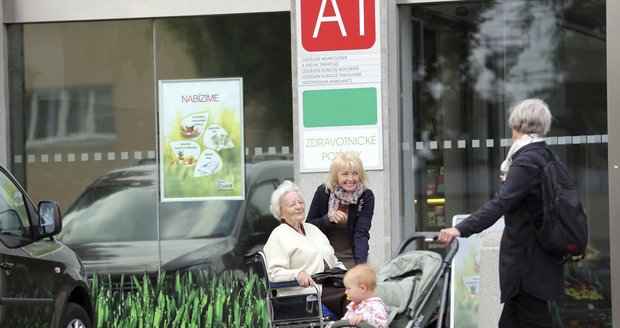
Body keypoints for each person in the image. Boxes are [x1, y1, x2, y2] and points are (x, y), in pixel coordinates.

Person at [438, 98, 564, 328]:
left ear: (517, 125)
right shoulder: (547, 156)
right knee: (510, 322)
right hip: (537, 261)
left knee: (532, 320)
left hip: (527, 266)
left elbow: (500, 204)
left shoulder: (526, 161)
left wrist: (460, 228)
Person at [263, 180, 348, 319]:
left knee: (363, 291)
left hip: (333, 284)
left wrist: (350, 276)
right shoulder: (278, 236)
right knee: (354, 299)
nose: (299, 207)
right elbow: (274, 273)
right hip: (310, 293)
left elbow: (335, 262)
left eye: (300, 202)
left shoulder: (312, 229)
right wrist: (297, 274)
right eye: (292, 204)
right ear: (281, 212)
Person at [307, 152, 375, 268]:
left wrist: (361, 267)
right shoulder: (323, 192)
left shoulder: (366, 196)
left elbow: (361, 233)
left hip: (353, 259)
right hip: (324, 259)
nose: (350, 179)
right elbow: (309, 227)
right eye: (345, 174)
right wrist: (328, 219)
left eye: (355, 173)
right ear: (336, 176)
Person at [328, 264, 389, 328]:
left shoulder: (375, 305)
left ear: (362, 288)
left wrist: (364, 318)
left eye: (349, 288)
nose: (346, 292)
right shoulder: (353, 306)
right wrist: (334, 325)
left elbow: (382, 324)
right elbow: (345, 322)